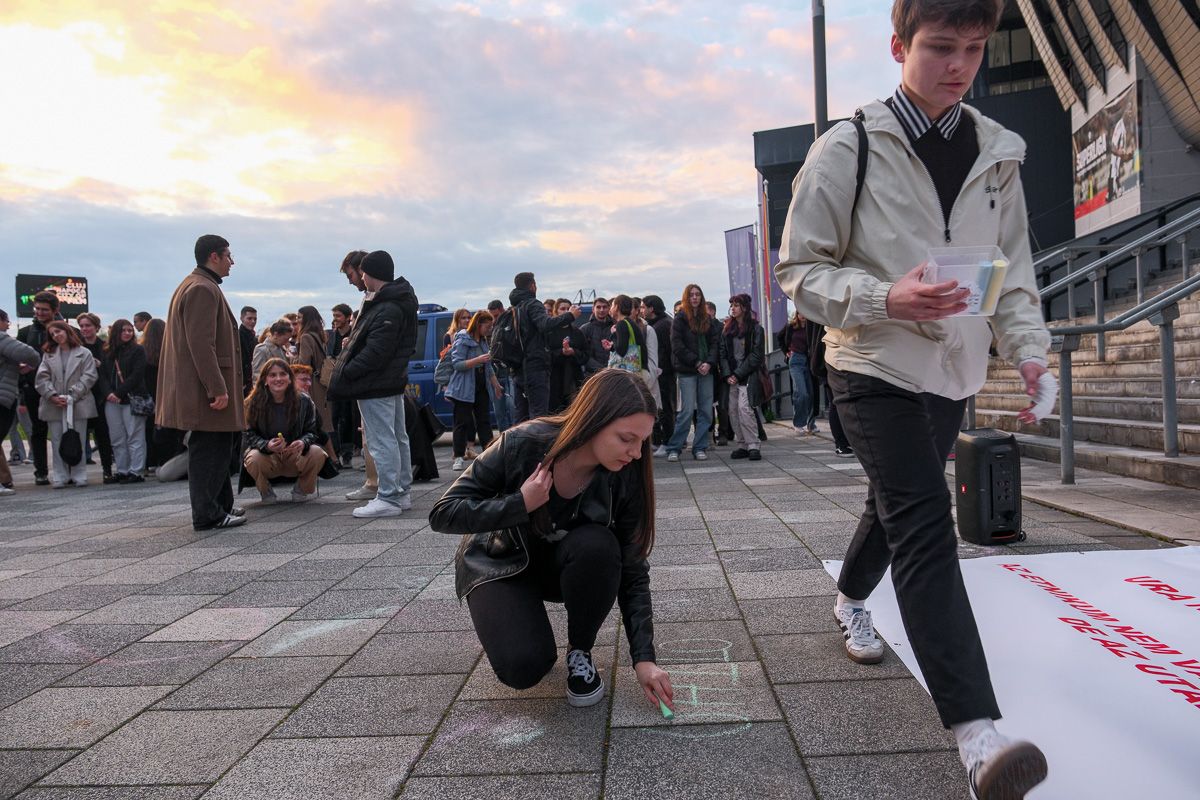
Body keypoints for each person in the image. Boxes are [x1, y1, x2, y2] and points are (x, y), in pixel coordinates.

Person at [774, 1, 1052, 796]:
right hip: (869, 363)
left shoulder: (998, 153)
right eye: (939, 48)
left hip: (951, 372)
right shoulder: (847, 148)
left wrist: (1028, 353)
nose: (958, 64)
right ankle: (978, 735)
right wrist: (882, 299)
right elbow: (798, 270)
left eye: (972, 49)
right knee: (927, 522)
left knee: (897, 507)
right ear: (899, 46)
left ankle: (848, 597)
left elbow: (1013, 270)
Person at [429, 369, 675, 711]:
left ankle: (580, 651)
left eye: (642, 441)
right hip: (501, 562)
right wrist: (520, 503)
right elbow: (443, 512)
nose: (635, 452)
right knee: (523, 667)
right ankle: (513, 618)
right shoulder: (522, 443)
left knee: (600, 546)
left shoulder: (625, 473)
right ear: (594, 420)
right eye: (625, 438)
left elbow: (633, 565)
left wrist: (644, 659)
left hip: (567, 563)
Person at [158, 235, 247, 530]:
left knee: (218, 446)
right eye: (228, 256)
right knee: (209, 449)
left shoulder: (196, 284)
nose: (232, 262)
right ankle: (208, 513)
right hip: (205, 391)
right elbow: (201, 344)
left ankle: (221, 505)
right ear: (214, 257)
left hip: (202, 389)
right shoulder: (202, 289)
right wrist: (217, 387)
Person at [328, 249, 419, 518]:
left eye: (363, 273)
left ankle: (389, 497)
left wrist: (348, 370)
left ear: (372, 274)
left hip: (375, 383)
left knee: (382, 440)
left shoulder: (386, 306)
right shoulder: (397, 300)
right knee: (396, 437)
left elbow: (377, 351)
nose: (361, 279)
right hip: (389, 382)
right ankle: (401, 493)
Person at [239, 358, 330, 503]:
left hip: (295, 455)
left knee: (318, 452)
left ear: (289, 379)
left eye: (283, 374)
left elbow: (313, 431)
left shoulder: (304, 401)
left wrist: (302, 442)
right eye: (273, 375)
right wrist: (266, 445)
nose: (278, 378)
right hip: (267, 457)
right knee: (252, 457)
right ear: (265, 380)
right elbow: (248, 434)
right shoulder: (252, 402)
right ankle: (265, 491)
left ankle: (301, 489)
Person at [336, 250, 380, 502]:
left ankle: (376, 483)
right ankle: (374, 481)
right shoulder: (371, 297)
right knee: (372, 433)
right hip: (370, 377)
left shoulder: (374, 299)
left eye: (352, 274)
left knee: (375, 434)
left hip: (370, 378)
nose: (351, 280)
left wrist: (352, 346)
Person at [508, 273, 580, 422]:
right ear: (533, 286)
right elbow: (545, 324)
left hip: (518, 368)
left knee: (521, 416)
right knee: (538, 416)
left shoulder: (514, 307)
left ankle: (520, 445)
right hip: (534, 367)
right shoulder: (532, 303)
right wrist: (570, 316)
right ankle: (537, 445)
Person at [35, 321, 98, 488]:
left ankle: (79, 474)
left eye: (58, 331)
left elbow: (90, 376)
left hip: (78, 401)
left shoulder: (84, 353)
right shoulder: (48, 355)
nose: (56, 336)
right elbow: (42, 378)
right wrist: (52, 395)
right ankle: (60, 475)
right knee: (56, 439)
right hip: (54, 403)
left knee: (78, 437)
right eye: (53, 334)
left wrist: (73, 394)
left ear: (66, 331)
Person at [664, 284, 718, 462]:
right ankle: (675, 447)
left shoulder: (707, 319)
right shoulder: (680, 318)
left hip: (706, 370)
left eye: (698, 295)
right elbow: (677, 345)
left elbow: (714, 344)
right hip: (688, 369)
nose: (695, 298)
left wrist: (709, 362)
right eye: (692, 295)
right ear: (687, 298)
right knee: (686, 412)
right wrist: (696, 362)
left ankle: (700, 446)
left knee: (706, 412)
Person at [446, 311, 501, 472]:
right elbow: (457, 364)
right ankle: (458, 456)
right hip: (464, 386)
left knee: (484, 421)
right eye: (487, 326)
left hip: (480, 384)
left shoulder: (483, 341)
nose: (489, 330)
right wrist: (477, 360)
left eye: (491, 327)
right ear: (479, 324)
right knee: (461, 423)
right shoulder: (463, 338)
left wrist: (496, 385)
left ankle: (489, 454)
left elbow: (488, 366)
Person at [16, 291, 58, 485]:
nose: (39, 313)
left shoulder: (65, 330)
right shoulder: (25, 333)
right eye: (37, 309)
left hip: (60, 388)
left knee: (62, 429)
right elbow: (17, 363)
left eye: (44, 310)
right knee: (38, 431)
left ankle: (64, 468)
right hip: (33, 389)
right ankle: (40, 471)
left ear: (55, 310)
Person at [719, 294, 766, 462]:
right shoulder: (726, 330)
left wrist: (738, 374)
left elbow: (756, 355)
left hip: (748, 375)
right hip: (731, 376)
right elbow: (722, 354)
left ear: (744, 308)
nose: (733, 308)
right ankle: (742, 444)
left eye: (736, 305)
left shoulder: (756, 329)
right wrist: (727, 374)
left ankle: (753, 444)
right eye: (731, 304)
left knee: (744, 409)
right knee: (732, 410)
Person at [102, 318, 149, 484]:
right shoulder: (108, 352)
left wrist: (119, 393)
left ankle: (136, 471)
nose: (128, 333)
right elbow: (103, 377)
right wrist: (108, 393)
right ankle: (122, 470)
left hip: (131, 398)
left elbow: (137, 375)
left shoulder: (138, 350)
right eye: (124, 330)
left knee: (135, 436)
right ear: (116, 332)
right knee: (117, 437)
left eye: (130, 330)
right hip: (112, 401)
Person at [0, 309, 41, 494]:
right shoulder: (1, 338)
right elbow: (30, 354)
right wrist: (22, 366)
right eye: (6, 321)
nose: (8, 325)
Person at [76, 313, 116, 483]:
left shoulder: (104, 347)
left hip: (101, 394)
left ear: (96, 328)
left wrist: (100, 365)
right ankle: (77, 472)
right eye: (82, 326)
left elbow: (111, 370)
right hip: (82, 394)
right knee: (79, 434)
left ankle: (107, 469)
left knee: (103, 435)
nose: (85, 329)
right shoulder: (76, 347)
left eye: (88, 326)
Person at [641, 296, 674, 454]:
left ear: (651, 308)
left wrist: (657, 369)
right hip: (660, 371)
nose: (641, 311)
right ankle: (660, 440)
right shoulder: (659, 324)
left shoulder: (661, 325)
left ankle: (667, 442)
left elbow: (663, 352)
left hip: (663, 373)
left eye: (643, 307)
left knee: (664, 407)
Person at [294, 305, 332, 446]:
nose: (297, 320)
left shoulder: (305, 337)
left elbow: (303, 364)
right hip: (321, 381)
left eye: (299, 317)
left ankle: (329, 457)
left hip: (312, 384)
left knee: (313, 421)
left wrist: (292, 359)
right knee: (322, 419)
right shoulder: (320, 335)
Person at [777, 311, 816, 435]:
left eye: (805, 312)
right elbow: (780, 337)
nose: (803, 315)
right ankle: (799, 423)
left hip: (809, 361)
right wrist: (786, 351)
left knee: (811, 394)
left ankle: (811, 423)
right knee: (801, 392)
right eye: (801, 313)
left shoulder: (812, 326)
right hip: (796, 360)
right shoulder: (791, 326)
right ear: (797, 314)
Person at [548, 298, 587, 413]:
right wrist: (561, 352)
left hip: (573, 380)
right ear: (556, 312)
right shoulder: (549, 332)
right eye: (562, 309)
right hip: (554, 380)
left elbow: (586, 354)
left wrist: (573, 352)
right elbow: (544, 355)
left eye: (568, 309)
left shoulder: (577, 332)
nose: (565, 312)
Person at [486, 300, 515, 433]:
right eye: (492, 317)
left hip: (509, 370)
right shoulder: (489, 329)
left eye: (497, 316)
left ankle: (515, 437)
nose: (495, 319)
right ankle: (505, 439)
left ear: (502, 310)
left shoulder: (511, 322)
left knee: (513, 407)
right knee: (499, 412)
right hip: (495, 373)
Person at [578, 296, 612, 379]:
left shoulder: (615, 327)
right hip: (591, 375)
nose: (601, 310)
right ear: (593, 309)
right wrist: (601, 369)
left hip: (613, 373)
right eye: (598, 307)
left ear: (609, 309)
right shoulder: (585, 329)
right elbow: (582, 354)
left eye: (604, 307)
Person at [238, 306, 258, 396]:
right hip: (244, 381)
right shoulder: (237, 336)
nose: (253, 322)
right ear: (242, 318)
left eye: (255, 319)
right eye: (249, 318)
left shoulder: (252, 336)